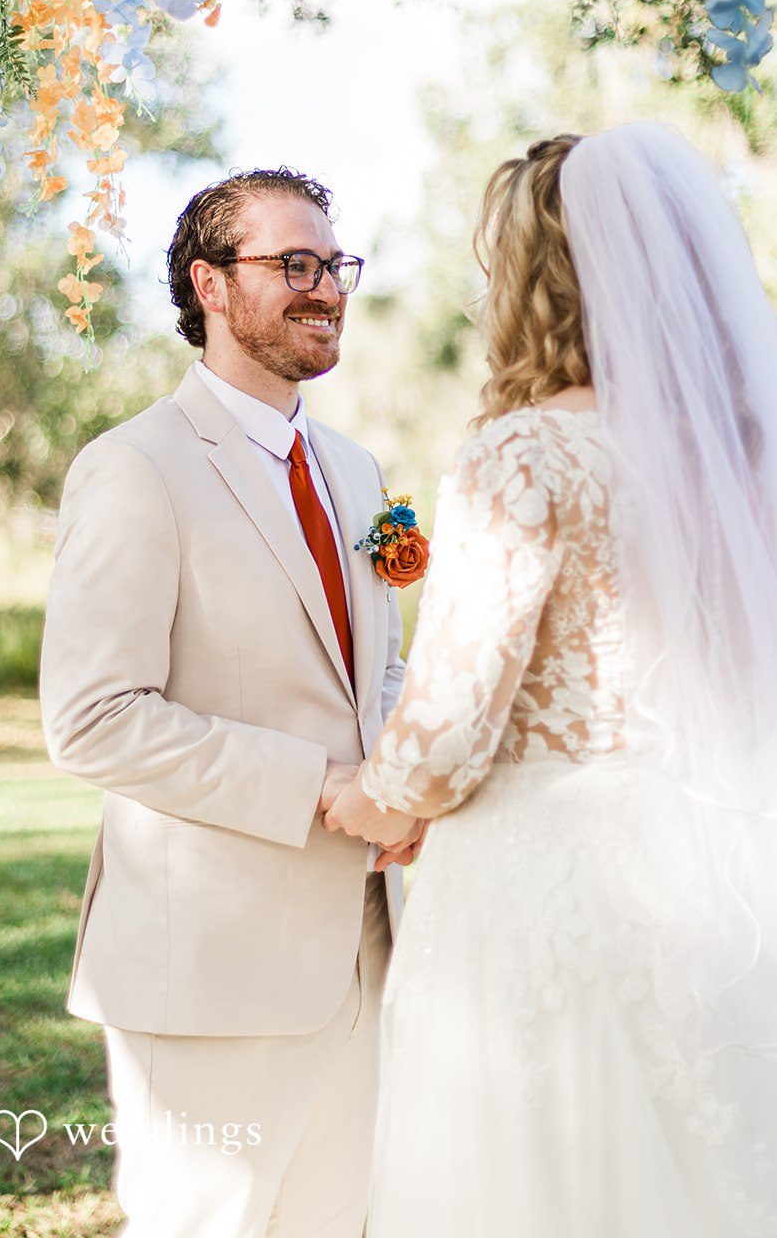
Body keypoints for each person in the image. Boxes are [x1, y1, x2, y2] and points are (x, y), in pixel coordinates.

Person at [325, 122, 777, 1237]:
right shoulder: (744, 455)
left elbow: (448, 721)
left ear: (533, 281)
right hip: (723, 856)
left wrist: (371, 799)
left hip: (551, 876)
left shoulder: (523, 454)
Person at [38, 166, 425, 1237]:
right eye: (290, 263)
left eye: (333, 264)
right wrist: (325, 786)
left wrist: (404, 778)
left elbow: (373, 669)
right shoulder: (132, 468)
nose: (325, 287)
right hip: (210, 966)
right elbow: (94, 716)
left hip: (368, 949)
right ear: (209, 284)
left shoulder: (355, 470)